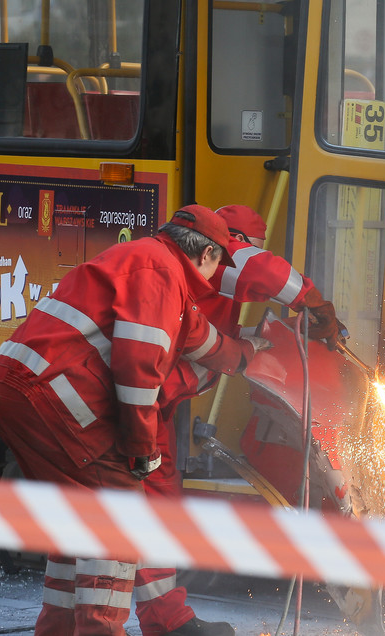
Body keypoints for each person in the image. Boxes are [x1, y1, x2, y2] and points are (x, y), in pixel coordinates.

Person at [0, 205, 264, 636]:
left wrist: (245, 355)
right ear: (206, 254)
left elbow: (203, 341)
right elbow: (138, 372)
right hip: (57, 395)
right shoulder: (163, 276)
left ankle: (56, 631)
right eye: (217, 265)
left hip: (12, 385)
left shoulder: (149, 262)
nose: (216, 279)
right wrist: (141, 448)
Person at [131, 204, 345, 636]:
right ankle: (132, 621)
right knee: (137, 511)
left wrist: (260, 342)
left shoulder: (204, 286)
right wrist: (314, 304)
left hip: (156, 405)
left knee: (157, 508)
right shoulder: (220, 259)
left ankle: (166, 620)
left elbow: (209, 342)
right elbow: (260, 271)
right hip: (138, 404)